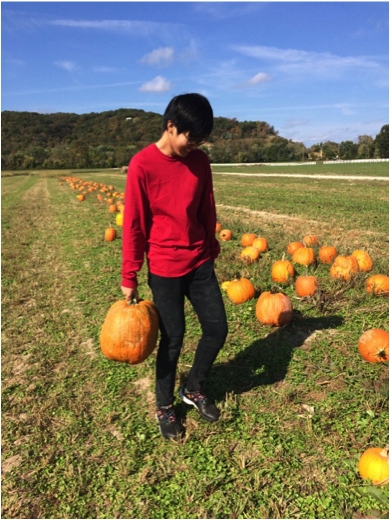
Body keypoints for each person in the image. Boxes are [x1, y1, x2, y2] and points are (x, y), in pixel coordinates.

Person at [121, 93, 228, 440]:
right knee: (173, 338)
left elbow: (206, 208)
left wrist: (211, 246)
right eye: (190, 138)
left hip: (199, 261)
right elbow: (134, 223)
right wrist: (130, 274)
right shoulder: (142, 165)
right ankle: (164, 406)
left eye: (200, 141)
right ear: (170, 127)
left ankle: (192, 387)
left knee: (217, 329)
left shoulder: (200, 162)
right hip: (164, 267)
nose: (194, 146)